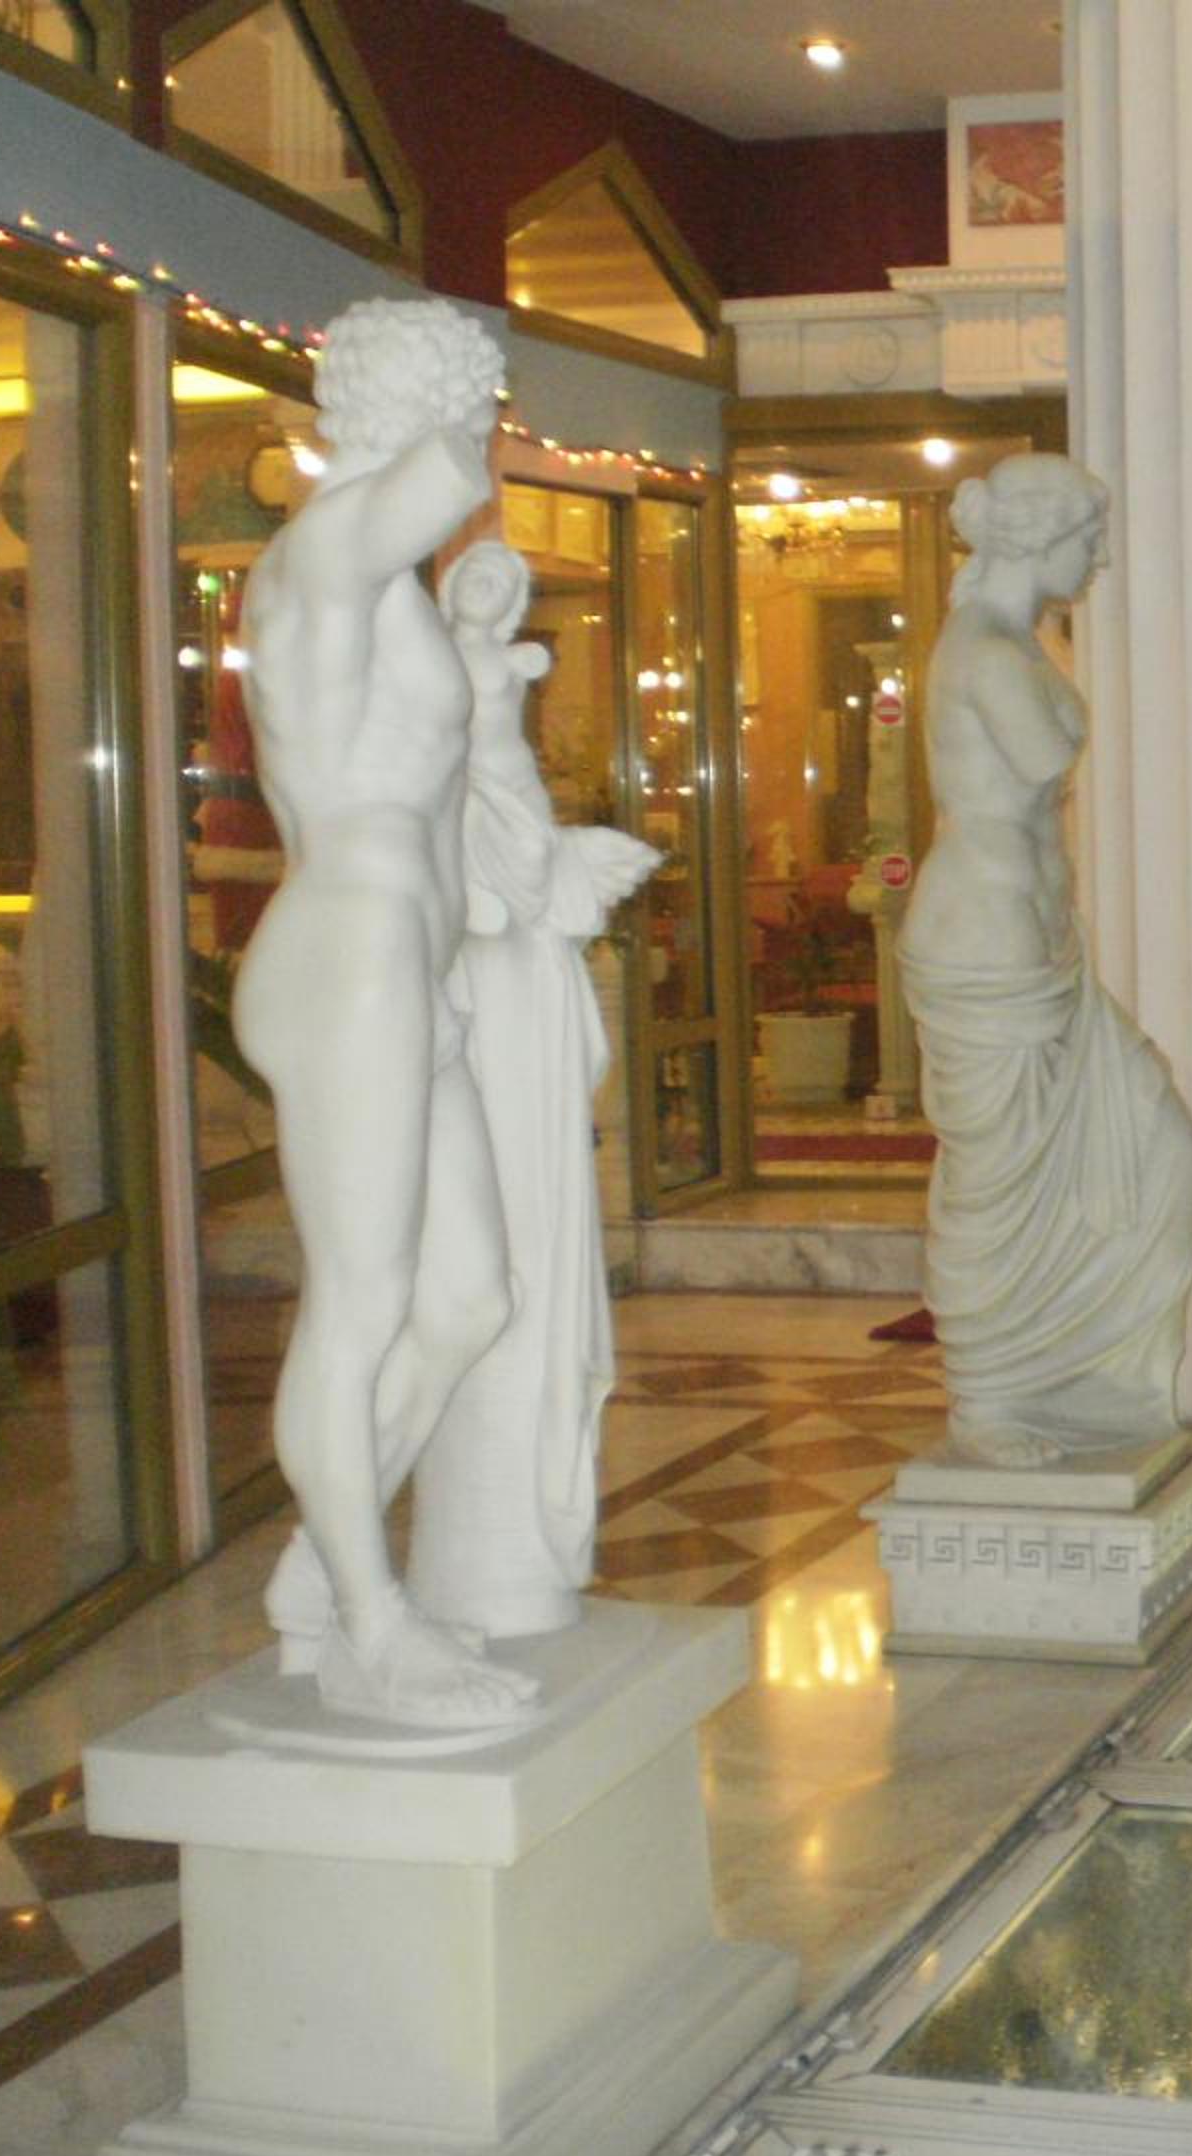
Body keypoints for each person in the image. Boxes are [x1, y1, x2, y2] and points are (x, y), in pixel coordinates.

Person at [236, 299, 534, 1726]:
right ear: (424, 402)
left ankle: (324, 1562)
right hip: (347, 953)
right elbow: (440, 482)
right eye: (478, 399)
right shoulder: (323, 550)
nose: (490, 431)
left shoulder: (389, 578)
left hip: (412, 964)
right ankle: (371, 1619)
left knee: (470, 1297)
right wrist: (451, 413)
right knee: (357, 1301)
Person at [898, 454, 1192, 1467]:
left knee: (1166, 1153)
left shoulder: (1016, 642)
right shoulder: (987, 651)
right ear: (1038, 538)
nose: (1099, 557)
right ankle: (988, 1399)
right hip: (982, 945)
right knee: (997, 1186)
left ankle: (1087, 1382)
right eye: (1089, 536)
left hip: (1038, 949)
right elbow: (1042, 755)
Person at [406, 542, 658, 1640]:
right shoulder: (422, 701)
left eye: (503, 587)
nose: (487, 596)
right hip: (479, 964)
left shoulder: (534, 943)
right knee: (479, 1287)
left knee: (525, 1264)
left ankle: (511, 1553)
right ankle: (453, 1565)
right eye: (474, 580)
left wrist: (533, 867)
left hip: (513, 920)